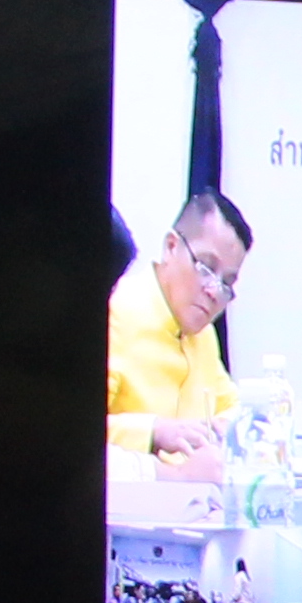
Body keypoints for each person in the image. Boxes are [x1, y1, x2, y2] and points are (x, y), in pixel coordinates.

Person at [102, 189, 248, 467]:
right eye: (206, 267)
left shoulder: (202, 334)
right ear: (171, 246)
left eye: (227, 282)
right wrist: (153, 431)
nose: (214, 292)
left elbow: (231, 407)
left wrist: (225, 428)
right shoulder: (116, 312)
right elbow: (63, 431)